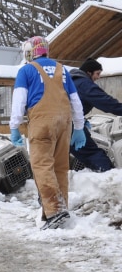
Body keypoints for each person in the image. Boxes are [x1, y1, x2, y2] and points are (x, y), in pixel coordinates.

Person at [9, 36, 85, 230]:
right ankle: (60, 209)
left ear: (30, 51)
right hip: (64, 122)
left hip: (42, 122)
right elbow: (75, 100)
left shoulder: (26, 71)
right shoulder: (62, 70)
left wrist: (14, 126)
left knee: (42, 165)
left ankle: (54, 210)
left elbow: (19, 101)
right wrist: (79, 127)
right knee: (60, 166)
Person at [68, 58, 122, 172]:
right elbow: (105, 102)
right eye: (97, 73)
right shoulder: (83, 83)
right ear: (89, 72)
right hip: (69, 124)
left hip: (52, 123)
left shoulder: (70, 81)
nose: (98, 77)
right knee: (93, 154)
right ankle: (111, 179)